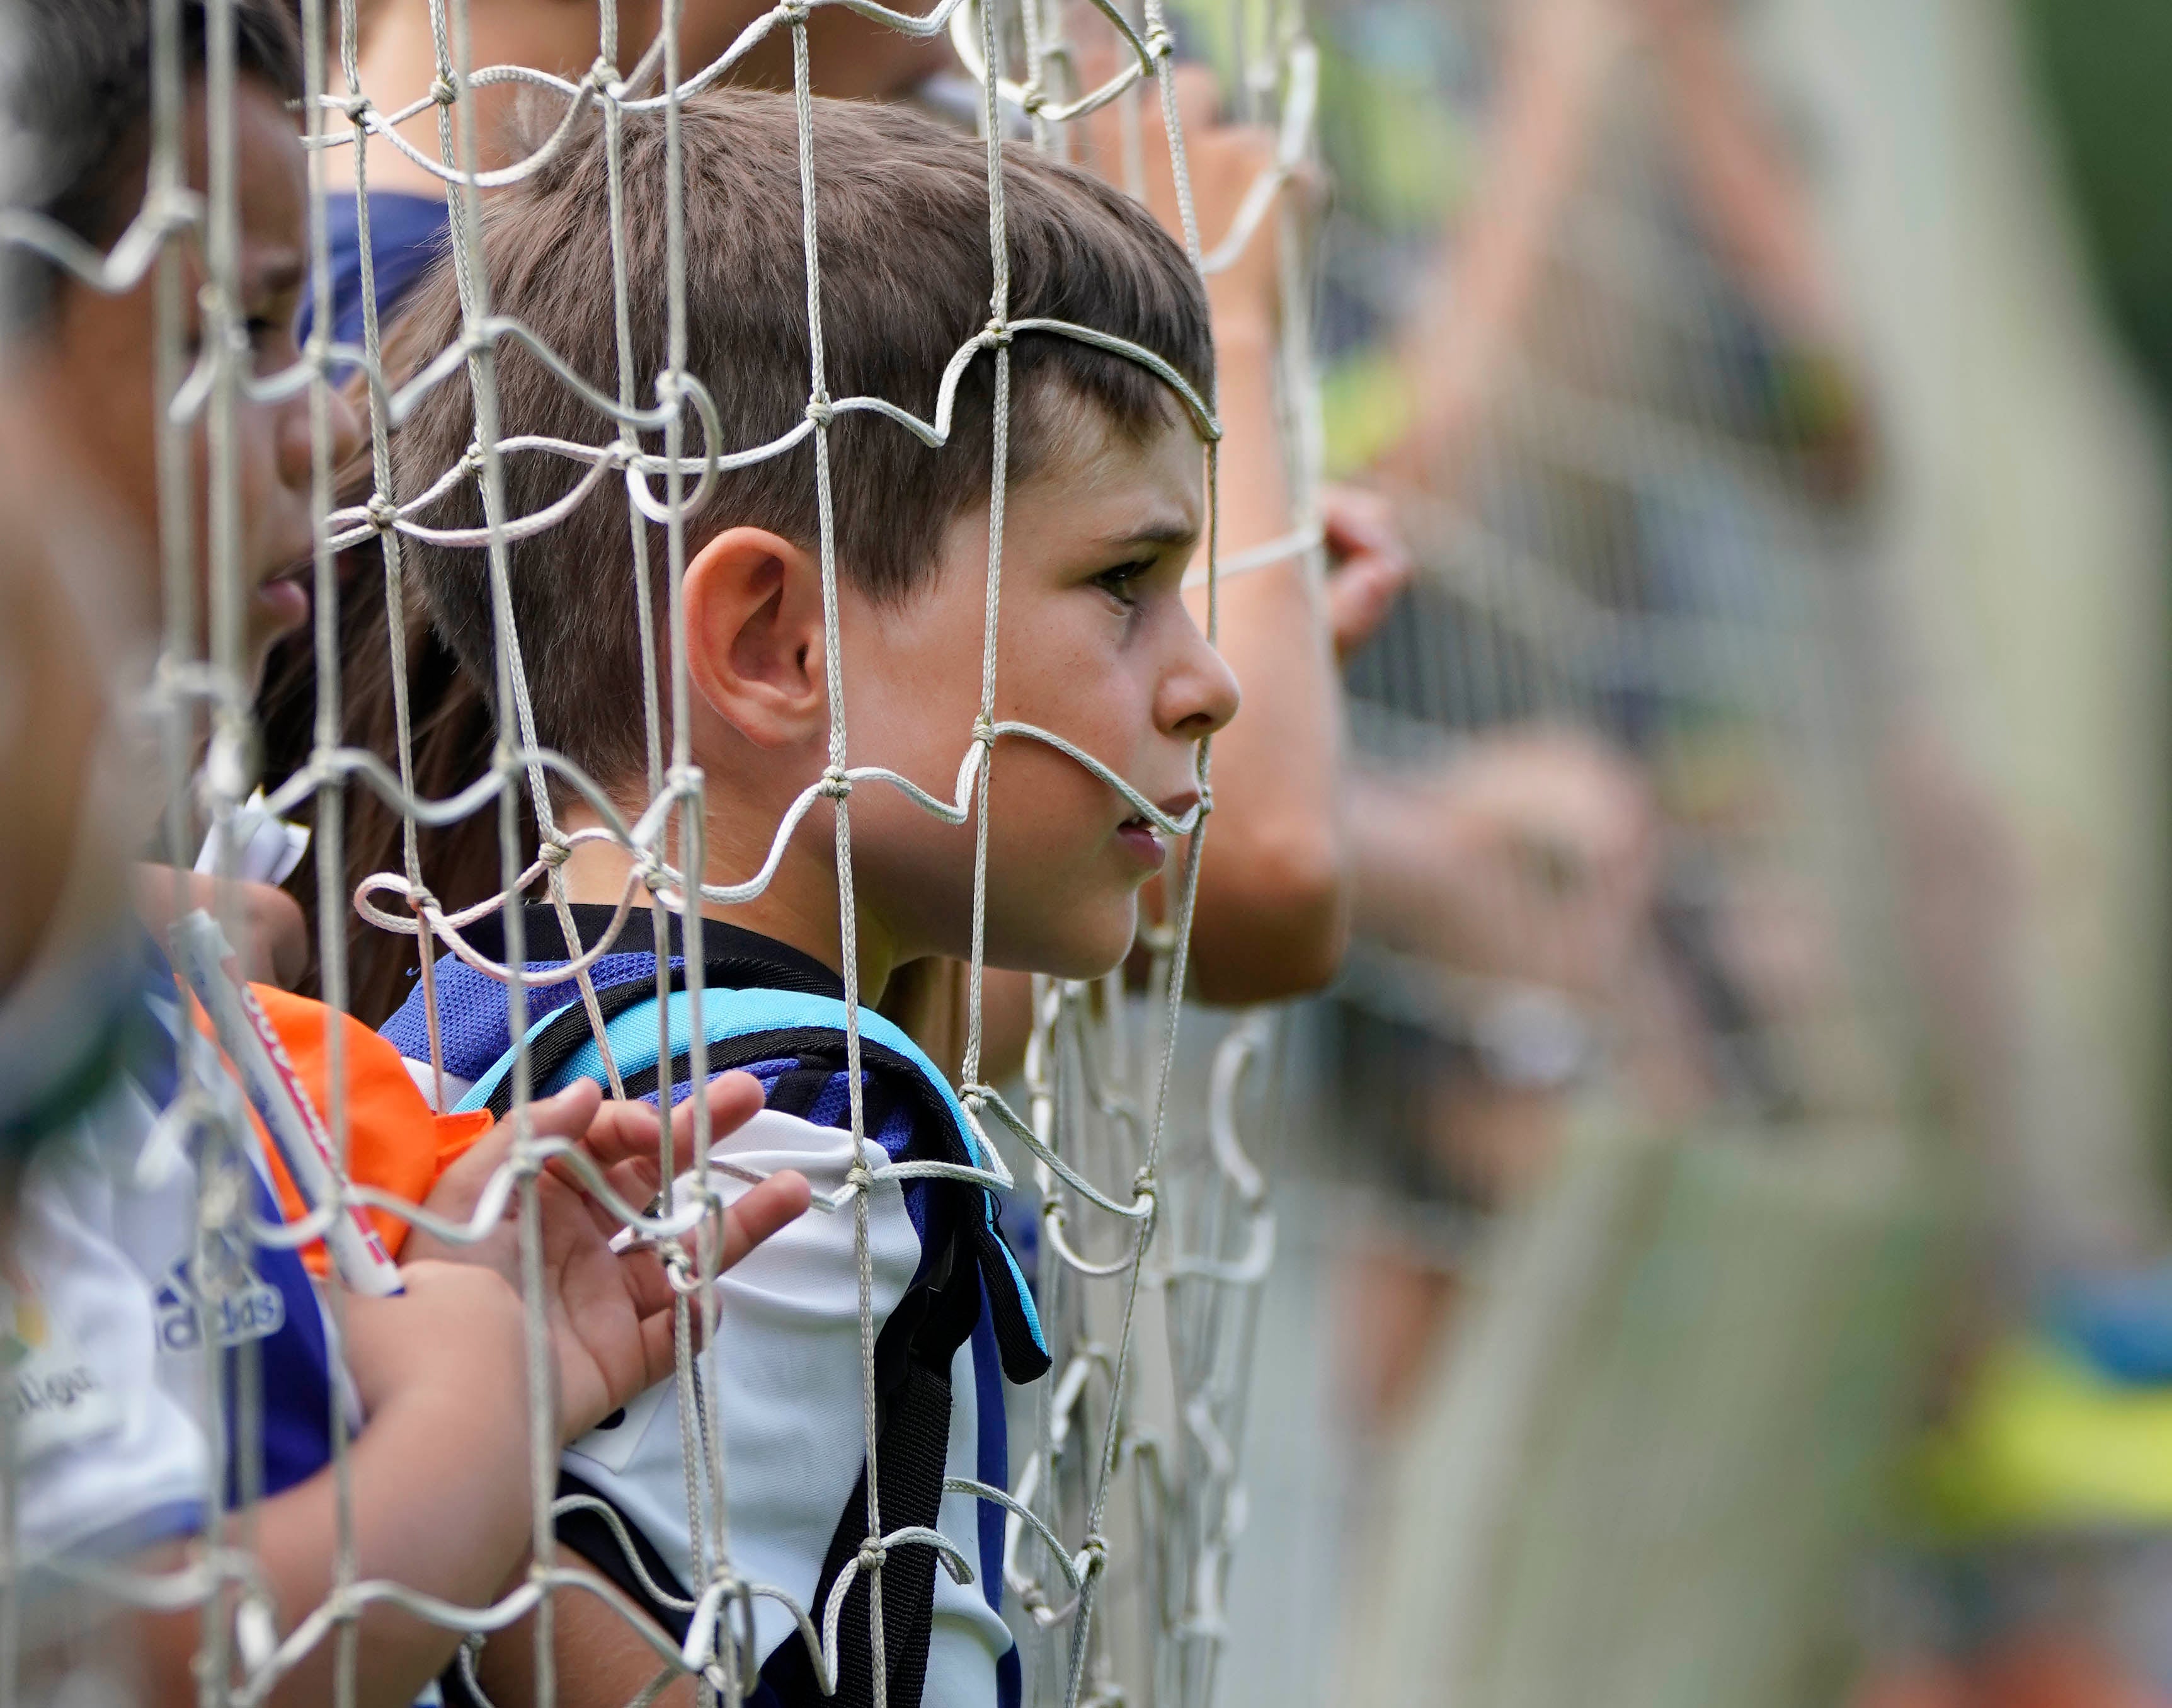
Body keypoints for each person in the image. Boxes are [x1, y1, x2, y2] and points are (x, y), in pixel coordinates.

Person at [373, 88, 1239, 1707]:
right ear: (775, 643)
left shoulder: (460, 1018)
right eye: (1124, 585)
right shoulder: (790, 1140)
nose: (1208, 683)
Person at [0, 6, 810, 1703]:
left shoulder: (137, 999)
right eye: (239, 326)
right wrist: (473, 1413)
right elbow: (150, 1657)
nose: (337, 410)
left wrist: (404, 1323)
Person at [260, 0, 1388, 1035]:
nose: (970, 34)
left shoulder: (637, 285)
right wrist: (1227, 310)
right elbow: (1264, 875)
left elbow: (888, 970)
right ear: (765, 635)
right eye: (1120, 579)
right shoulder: (408, 325)